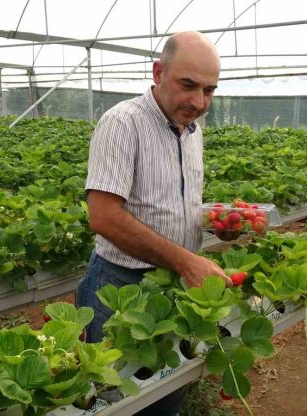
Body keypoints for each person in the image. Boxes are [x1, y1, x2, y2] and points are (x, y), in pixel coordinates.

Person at [77, 31, 232, 415]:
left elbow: (172, 203)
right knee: (120, 398)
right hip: (121, 288)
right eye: (188, 85)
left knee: (167, 388)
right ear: (158, 71)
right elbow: (105, 217)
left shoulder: (191, 129)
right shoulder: (122, 123)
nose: (198, 102)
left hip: (174, 283)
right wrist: (185, 261)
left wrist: (215, 222)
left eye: (209, 90)